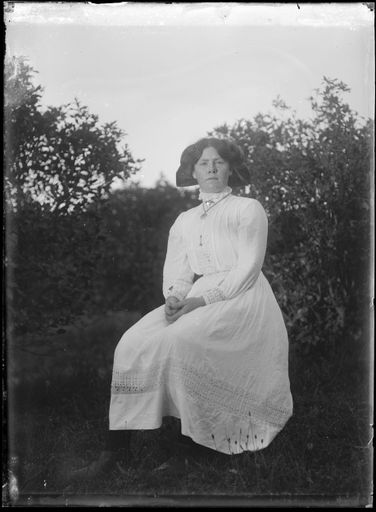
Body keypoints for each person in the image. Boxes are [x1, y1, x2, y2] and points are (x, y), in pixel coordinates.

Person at [72, 137, 293, 480]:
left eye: (219, 162)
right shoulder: (185, 220)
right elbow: (178, 272)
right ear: (193, 172)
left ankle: (190, 448)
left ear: (231, 168)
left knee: (182, 344)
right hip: (195, 297)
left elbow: (248, 268)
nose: (212, 169)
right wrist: (175, 297)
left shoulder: (247, 209)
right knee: (130, 343)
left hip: (241, 299)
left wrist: (201, 302)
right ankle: (114, 451)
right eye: (204, 164)